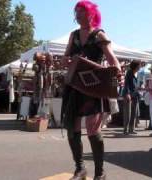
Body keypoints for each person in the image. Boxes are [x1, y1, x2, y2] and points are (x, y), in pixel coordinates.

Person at [61, 1, 121, 179]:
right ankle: (80, 169)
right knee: (72, 127)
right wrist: (67, 61)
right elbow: (65, 58)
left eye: (82, 11)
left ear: (91, 14)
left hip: (94, 88)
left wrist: (117, 72)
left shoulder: (99, 34)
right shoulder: (74, 35)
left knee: (92, 129)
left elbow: (113, 60)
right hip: (74, 86)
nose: (78, 15)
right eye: (76, 11)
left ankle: (99, 173)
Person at [122, 61, 142, 135]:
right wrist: (127, 94)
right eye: (139, 66)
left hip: (135, 95)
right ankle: (125, 129)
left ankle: (131, 129)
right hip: (129, 95)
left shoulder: (136, 73)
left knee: (134, 113)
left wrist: (139, 88)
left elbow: (135, 85)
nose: (140, 67)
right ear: (136, 66)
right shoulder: (129, 72)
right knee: (128, 113)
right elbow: (126, 84)